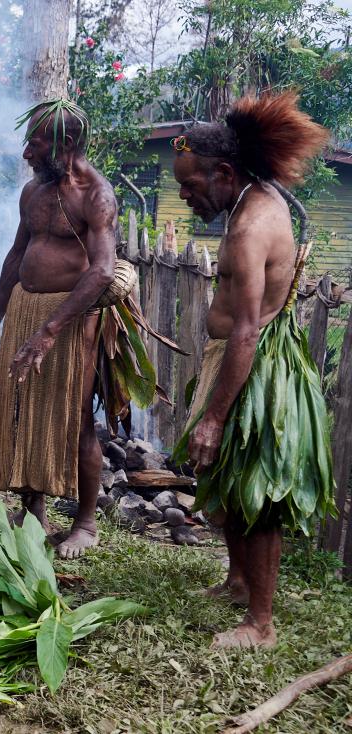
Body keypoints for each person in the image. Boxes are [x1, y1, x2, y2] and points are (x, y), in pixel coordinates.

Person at [171, 92, 333, 647]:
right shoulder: (255, 198)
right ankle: (239, 582)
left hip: (260, 365)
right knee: (233, 479)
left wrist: (215, 416)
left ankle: (260, 624)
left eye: (191, 185)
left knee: (258, 491)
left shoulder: (247, 229)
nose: (185, 195)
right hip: (249, 357)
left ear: (223, 172)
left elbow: (245, 330)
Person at [0, 99, 118, 559]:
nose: (26, 154)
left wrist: (51, 330)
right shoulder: (33, 193)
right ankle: (33, 511)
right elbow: (16, 256)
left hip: (71, 317)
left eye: (35, 144)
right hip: (24, 309)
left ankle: (85, 523)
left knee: (75, 419)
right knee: (24, 408)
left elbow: (100, 271)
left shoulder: (96, 196)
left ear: (67, 144)